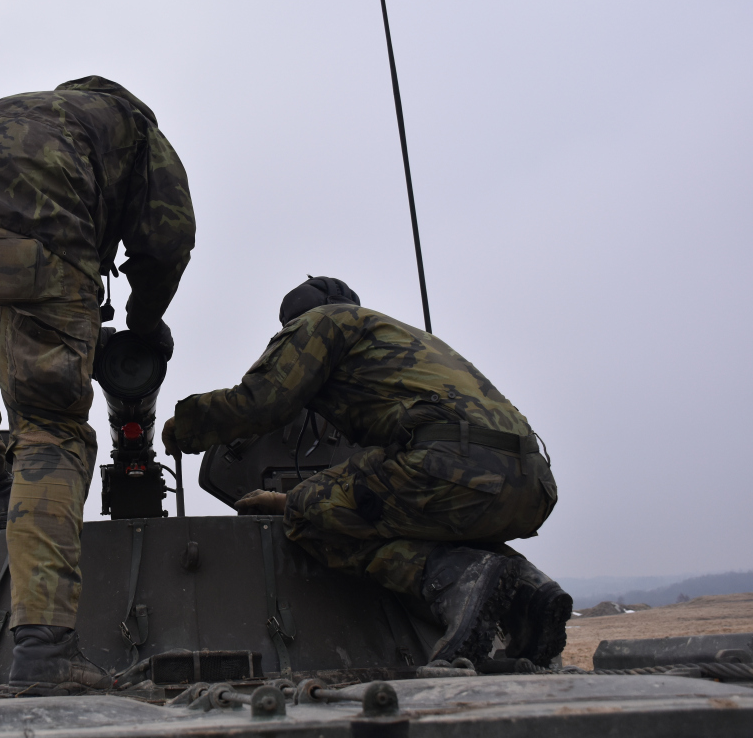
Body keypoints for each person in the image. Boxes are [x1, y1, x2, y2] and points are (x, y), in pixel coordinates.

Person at [0, 76, 195, 692]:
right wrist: (143, 322)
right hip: (30, 228)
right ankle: (44, 650)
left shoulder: (31, 112)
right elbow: (167, 239)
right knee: (51, 430)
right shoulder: (135, 129)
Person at [162, 277, 572, 666]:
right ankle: (529, 593)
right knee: (419, 524)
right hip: (531, 482)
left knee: (304, 518)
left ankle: (457, 580)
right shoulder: (402, 339)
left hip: (449, 465)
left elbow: (263, 401)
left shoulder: (321, 322)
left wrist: (186, 425)